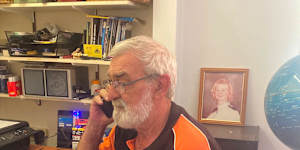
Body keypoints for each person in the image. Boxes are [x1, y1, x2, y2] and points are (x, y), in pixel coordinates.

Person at [77, 36, 220, 150]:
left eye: (122, 83)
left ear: (159, 86)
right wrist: (96, 125)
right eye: (111, 82)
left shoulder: (190, 143)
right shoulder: (126, 127)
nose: (112, 94)